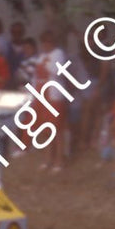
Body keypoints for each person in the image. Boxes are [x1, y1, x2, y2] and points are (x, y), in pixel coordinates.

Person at [34, 30, 69, 171]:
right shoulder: (42, 56)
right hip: (41, 92)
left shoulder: (59, 54)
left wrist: (47, 64)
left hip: (53, 94)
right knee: (45, 129)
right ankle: (47, 159)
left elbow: (57, 71)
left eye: (48, 42)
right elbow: (36, 74)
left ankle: (59, 160)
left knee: (56, 129)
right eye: (44, 42)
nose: (45, 45)